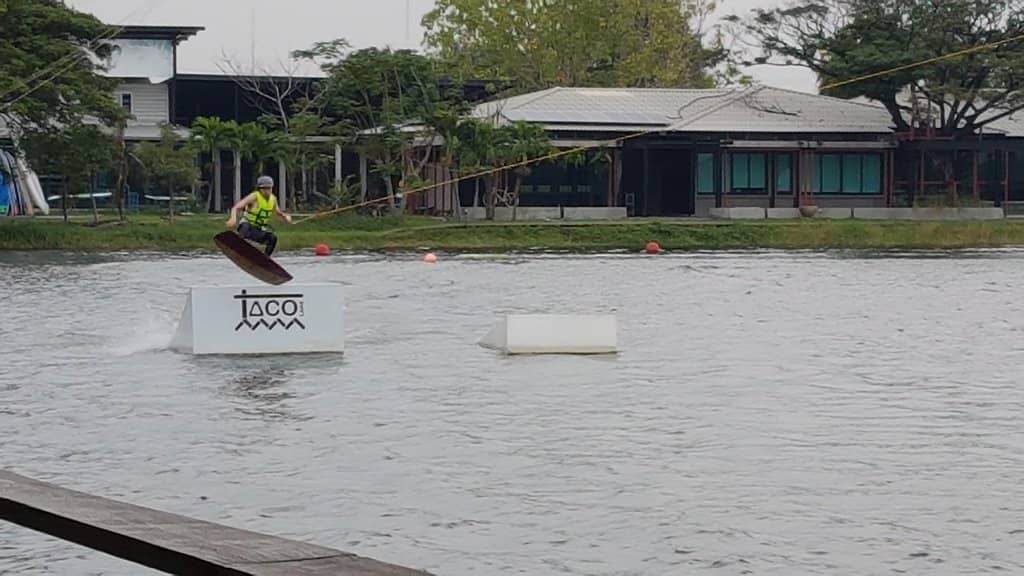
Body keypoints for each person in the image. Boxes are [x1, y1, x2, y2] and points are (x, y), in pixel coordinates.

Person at [225, 175, 292, 256]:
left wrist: (286, 217)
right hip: (246, 227)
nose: (267, 191)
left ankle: (265, 259)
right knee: (245, 227)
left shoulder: (273, 199)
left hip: (258, 230)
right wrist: (233, 218)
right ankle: (237, 246)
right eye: (264, 189)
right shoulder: (254, 196)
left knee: (272, 238)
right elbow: (236, 207)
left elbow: (278, 212)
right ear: (260, 189)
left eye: (269, 188)